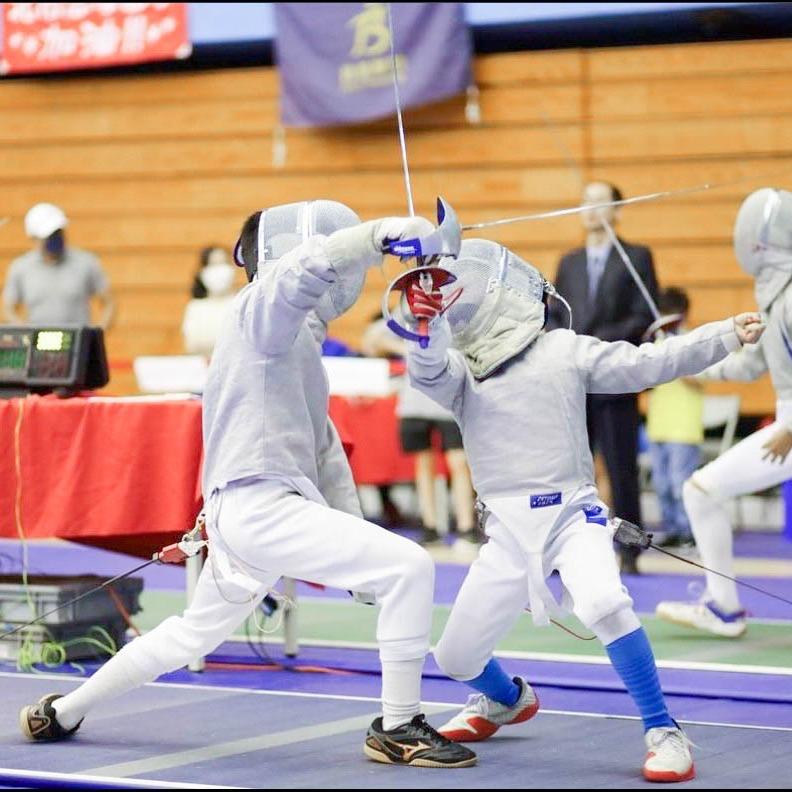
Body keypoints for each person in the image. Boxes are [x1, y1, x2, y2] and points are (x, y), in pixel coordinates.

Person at [19, 201, 477, 770]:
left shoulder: (302, 345)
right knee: (411, 567)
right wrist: (378, 234)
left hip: (252, 513)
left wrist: (356, 541)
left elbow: (327, 454)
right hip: (260, 508)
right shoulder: (260, 311)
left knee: (191, 634)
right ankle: (398, 725)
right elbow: (299, 272)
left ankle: (64, 710)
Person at [401, 238, 763, 781]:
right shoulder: (462, 370)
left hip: (571, 517)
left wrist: (723, 334)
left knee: (605, 603)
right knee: (454, 656)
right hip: (505, 533)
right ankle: (508, 700)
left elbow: (648, 362)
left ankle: (663, 729)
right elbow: (424, 373)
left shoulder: (563, 349)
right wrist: (425, 332)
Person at [656, 188, 792, 638]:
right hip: (786, 421)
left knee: (700, 491)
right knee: (701, 491)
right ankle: (723, 607)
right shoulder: (777, 296)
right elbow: (751, 365)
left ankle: (724, 607)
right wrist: (690, 359)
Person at [549, 182, 659, 574]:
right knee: (570, 468)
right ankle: (566, 547)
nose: (591, 209)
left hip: (613, 375)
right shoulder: (570, 261)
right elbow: (557, 312)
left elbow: (644, 314)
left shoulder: (636, 257)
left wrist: (597, 341)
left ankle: (630, 550)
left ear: (617, 210)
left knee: (620, 466)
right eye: (585, 201)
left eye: (600, 202)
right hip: (574, 379)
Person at [362, 316, 477, 549]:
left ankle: (466, 526)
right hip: (415, 400)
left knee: (459, 463)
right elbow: (370, 341)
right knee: (423, 464)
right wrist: (407, 349)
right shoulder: (406, 311)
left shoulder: (457, 308)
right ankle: (429, 525)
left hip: (450, 401)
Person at [645, 287, 703, 549]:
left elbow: (699, 379)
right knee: (662, 483)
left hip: (684, 426)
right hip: (658, 425)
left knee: (681, 482)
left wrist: (673, 356)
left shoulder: (693, 341)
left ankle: (690, 531)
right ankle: (673, 528)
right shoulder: (656, 341)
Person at [3, 203, 114, 329]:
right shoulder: (21, 268)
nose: (55, 238)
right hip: (37, 345)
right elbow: (8, 308)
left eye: (58, 232)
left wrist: (96, 335)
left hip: (78, 344)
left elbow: (109, 302)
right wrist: (24, 334)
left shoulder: (86, 263)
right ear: (34, 238)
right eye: (49, 235)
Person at [182, 245, 238, 357]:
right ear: (203, 270)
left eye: (223, 263)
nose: (219, 270)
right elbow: (193, 344)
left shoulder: (240, 302)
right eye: (213, 264)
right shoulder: (196, 307)